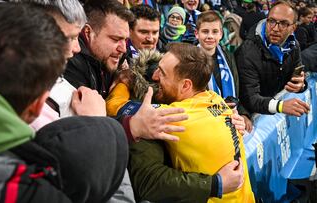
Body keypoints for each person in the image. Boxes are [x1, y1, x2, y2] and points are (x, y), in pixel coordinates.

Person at [0, 3, 128, 203]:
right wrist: (100, 131)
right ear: (37, 105)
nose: (76, 48)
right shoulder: (32, 188)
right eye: (65, 38)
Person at [106, 43, 253, 202]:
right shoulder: (216, 99)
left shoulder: (176, 116)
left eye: (162, 73)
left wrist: (124, 80)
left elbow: (113, 106)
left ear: (185, 85)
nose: (155, 77)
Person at [65, 0, 188, 142]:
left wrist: (122, 77)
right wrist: (132, 127)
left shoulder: (114, 57)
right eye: (116, 39)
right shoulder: (71, 64)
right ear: (88, 33)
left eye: (125, 40)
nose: (123, 48)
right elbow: (84, 133)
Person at [235, 0, 310, 116]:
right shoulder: (247, 52)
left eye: (284, 23)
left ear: (293, 28)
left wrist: (300, 85)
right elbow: (250, 98)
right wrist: (280, 106)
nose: (275, 28)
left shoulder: (294, 46)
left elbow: (296, 78)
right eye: (272, 21)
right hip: (252, 117)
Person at [195, 10, 252, 132]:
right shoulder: (190, 62)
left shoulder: (229, 56)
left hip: (234, 119)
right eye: (205, 31)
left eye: (215, 32)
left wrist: (244, 114)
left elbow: (238, 89)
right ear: (196, 34)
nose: (210, 36)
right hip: (207, 126)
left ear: (221, 34)